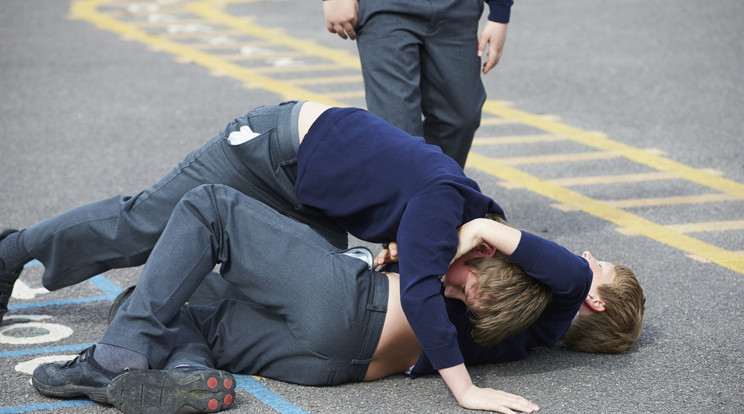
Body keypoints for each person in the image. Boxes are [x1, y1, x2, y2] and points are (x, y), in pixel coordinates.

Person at [0, 100, 642, 410]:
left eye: (596, 265)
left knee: (199, 233)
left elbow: (444, 284)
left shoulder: (469, 230)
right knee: (149, 229)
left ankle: (122, 350)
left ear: (587, 294)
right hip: (275, 152)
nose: (587, 254)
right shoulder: (520, 317)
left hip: (313, 206)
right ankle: (20, 253)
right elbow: (436, 281)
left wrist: (466, 389)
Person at [31, 185, 550, 414]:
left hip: (350, 306)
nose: (446, 286)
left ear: (493, 253)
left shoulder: (496, 276)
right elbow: (566, 287)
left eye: (461, 292)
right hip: (329, 366)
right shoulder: (520, 328)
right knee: (151, 303)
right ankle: (189, 371)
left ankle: (109, 361)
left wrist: (481, 227)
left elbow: (566, 276)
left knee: (210, 206)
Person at [322, 0, 513, 168]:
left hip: (457, 9)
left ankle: (435, 188)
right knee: (398, 129)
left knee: (461, 117)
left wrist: (500, 12)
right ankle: (419, 202)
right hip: (385, 9)